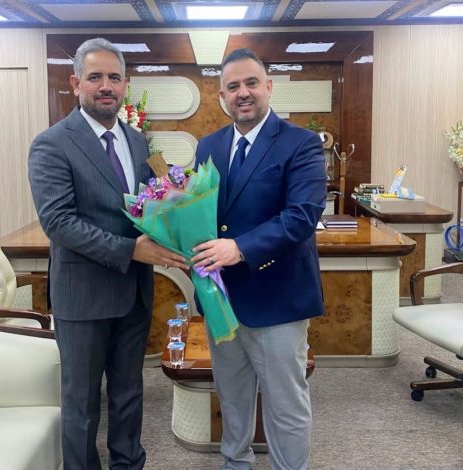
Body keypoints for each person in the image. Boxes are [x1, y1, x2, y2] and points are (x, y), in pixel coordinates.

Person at [28, 37, 187, 470]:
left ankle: (128, 464)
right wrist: (132, 250)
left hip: (133, 293)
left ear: (125, 85)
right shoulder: (52, 144)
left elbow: (148, 204)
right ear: (75, 83)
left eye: (114, 78)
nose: (106, 86)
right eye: (95, 77)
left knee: (129, 393)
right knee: (81, 403)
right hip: (83, 296)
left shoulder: (137, 141)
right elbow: (59, 222)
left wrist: (179, 216)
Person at [191, 48, 327, 470]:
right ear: (222, 97)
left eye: (251, 83)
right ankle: (236, 463)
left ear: (268, 87)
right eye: (232, 87)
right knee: (232, 397)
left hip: (278, 298)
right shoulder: (208, 146)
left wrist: (239, 248)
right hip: (222, 300)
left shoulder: (301, 144)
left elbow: (301, 216)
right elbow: (200, 214)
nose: (243, 93)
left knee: (285, 405)